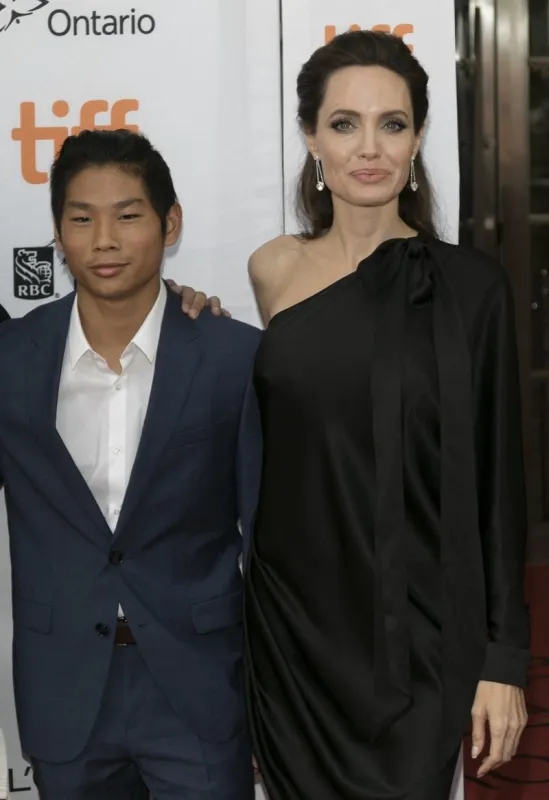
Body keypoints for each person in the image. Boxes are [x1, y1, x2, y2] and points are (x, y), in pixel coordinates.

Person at [174, 30, 530, 800]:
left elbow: (499, 488)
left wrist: (503, 660)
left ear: (418, 139)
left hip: (421, 635)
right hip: (292, 630)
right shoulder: (270, 269)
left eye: (391, 124)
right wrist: (177, 311)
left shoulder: (471, 289)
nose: (367, 148)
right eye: (343, 124)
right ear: (310, 139)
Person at [0, 129, 261, 800]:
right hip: (64, 690)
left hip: (198, 687)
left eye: (128, 215)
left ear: (170, 223)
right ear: (58, 233)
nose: (104, 240)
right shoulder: (12, 361)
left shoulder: (233, 359)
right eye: (81, 219)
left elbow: (272, 543)